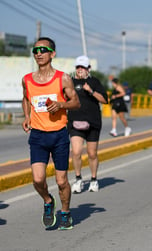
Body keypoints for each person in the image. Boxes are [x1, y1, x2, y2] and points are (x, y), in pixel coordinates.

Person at [21, 37, 80, 230]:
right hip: (38, 136)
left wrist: (61, 104)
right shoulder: (27, 79)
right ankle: (48, 201)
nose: (38, 53)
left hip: (59, 135)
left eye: (43, 50)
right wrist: (27, 116)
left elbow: (76, 102)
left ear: (52, 54)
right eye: (35, 50)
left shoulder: (63, 78)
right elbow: (26, 98)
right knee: (38, 179)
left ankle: (65, 212)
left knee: (61, 180)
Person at [68, 56, 108, 193]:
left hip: (93, 122)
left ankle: (93, 179)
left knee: (92, 153)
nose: (80, 70)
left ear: (88, 69)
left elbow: (104, 100)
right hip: (75, 122)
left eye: (83, 67)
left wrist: (91, 91)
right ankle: (78, 179)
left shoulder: (94, 82)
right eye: (78, 67)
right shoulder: (70, 82)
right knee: (76, 152)